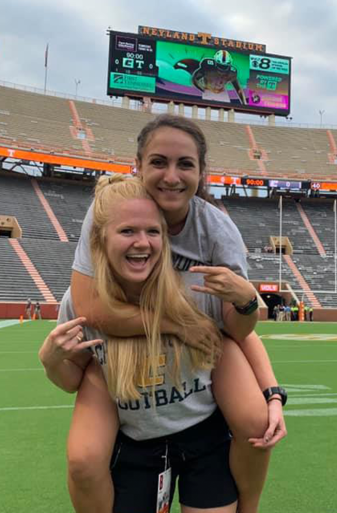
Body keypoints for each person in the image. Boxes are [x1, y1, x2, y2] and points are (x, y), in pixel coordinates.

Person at [64, 115, 285, 513]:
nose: (171, 176)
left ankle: (248, 507)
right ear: (138, 165)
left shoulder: (217, 232)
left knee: (255, 425)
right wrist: (174, 325)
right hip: (130, 349)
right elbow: (91, 308)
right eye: (158, 162)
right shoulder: (110, 210)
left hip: (201, 346)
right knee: (83, 458)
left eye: (185, 164)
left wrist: (246, 302)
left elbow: (238, 330)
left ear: (202, 173)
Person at [40, 175, 235, 512]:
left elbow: (242, 341)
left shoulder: (194, 290)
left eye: (152, 232)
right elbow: (73, 380)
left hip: (203, 435)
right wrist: (51, 361)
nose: (142, 243)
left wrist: (272, 394)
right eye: (127, 231)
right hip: (136, 443)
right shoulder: (81, 302)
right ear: (100, 240)